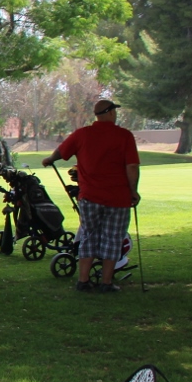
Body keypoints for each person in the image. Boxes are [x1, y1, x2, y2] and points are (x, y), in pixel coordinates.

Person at [42, 99, 140, 293]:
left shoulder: (83, 134)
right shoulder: (124, 136)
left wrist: (49, 159)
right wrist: (133, 191)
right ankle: (106, 283)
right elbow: (132, 167)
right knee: (112, 238)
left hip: (89, 197)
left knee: (88, 236)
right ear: (110, 113)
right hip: (117, 198)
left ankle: (83, 280)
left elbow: (61, 152)